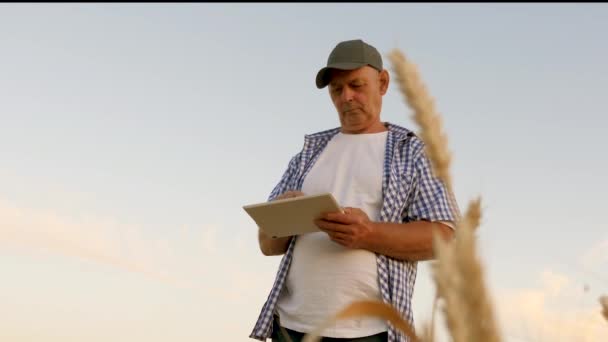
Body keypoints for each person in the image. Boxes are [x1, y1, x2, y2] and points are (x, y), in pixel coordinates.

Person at [249, 39, 460, 342]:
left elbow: (445, 236)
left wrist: (368, 233)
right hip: (290, 327)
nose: (346, 97)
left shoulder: (411, 151)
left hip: (369, 332)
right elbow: (267, 245)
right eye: (337, 90)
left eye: (356, 85)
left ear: (383, 83)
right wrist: (284, 213)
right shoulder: (308, 154)